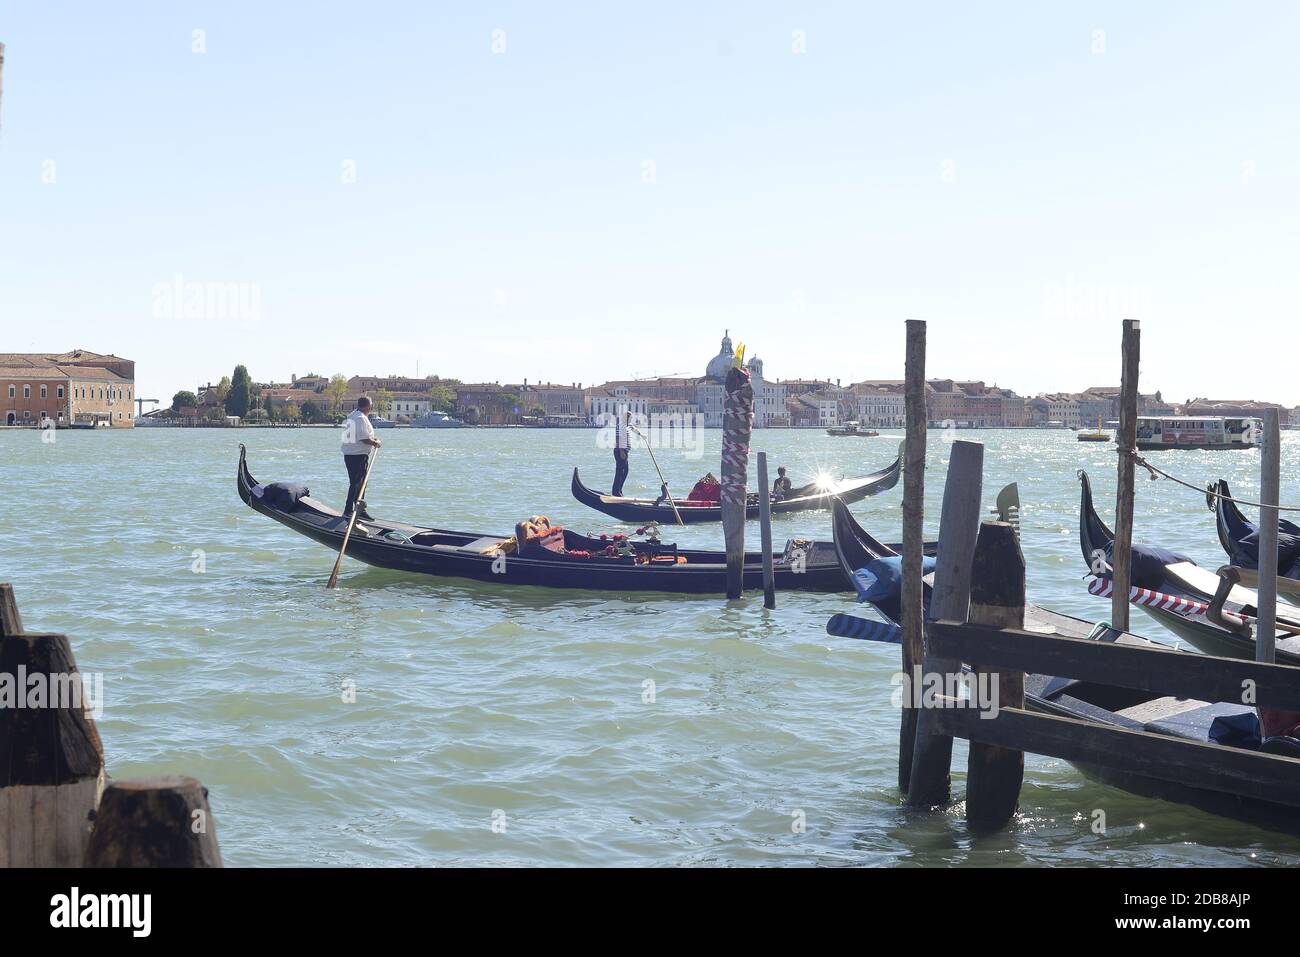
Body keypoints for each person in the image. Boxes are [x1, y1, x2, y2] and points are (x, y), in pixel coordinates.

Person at [341, 396, 381, 519]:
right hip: (357, 455)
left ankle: (359, 510)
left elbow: (360, 436)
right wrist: (375, 443)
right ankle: (348, 510)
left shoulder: (353, 415)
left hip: (352, 454)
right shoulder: (360, 418)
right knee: (356, 483)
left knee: (361, 483)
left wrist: (373, 439)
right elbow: (363, 438)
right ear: (368, 406)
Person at [612, 409, 631, 496]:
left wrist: (640, 434)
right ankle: (616, 492)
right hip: (621, 451)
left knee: (625, 471)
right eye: (630, 418)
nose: (631, 420)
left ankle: (619, 490)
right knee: (620, 471)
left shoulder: (625, 426)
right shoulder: (621, 426)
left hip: (623, 451)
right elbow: (618, 438)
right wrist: (621, 451)